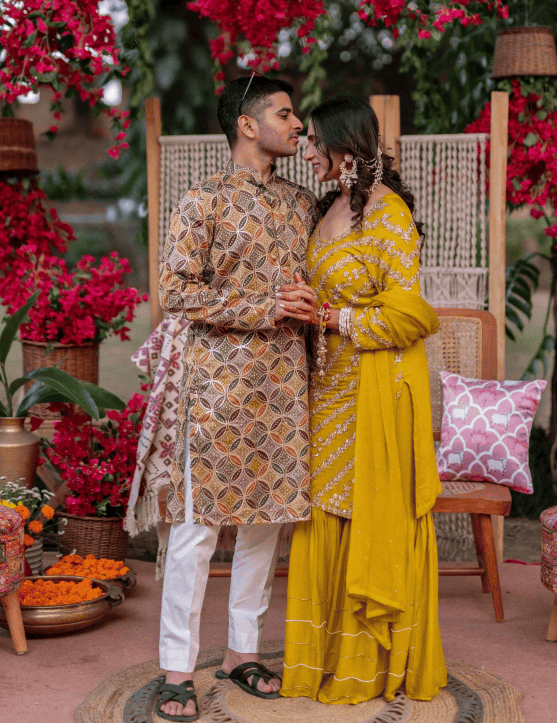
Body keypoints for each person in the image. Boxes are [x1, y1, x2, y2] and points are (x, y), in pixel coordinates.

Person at [155, 75, 319, 720]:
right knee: (198, 532)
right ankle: (176, 668)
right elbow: (176, 293)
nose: (298, 122)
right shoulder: (204, 202)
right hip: (217, 391)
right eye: (285, 113)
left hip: (285, 387)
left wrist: (309, 307)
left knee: (266, 525)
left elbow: (317, 282)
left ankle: (241, 653)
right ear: (249, 126)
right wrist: (265, 305)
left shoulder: (304, 204)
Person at [280, 95, 447, 705]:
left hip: (378, 388)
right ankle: (326, 659)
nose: (306, 149)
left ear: (346, 144)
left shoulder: (389, 214)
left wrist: (329, 314)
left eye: (315, 139)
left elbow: (409, 315)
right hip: (325, 389)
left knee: (368, 510)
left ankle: (372, 666)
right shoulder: (324, 209)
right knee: (325, 509)